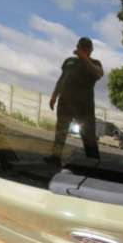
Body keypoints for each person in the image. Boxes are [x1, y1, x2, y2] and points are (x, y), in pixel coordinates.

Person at [46, 37, 103, 166]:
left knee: (88, 135)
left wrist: (84, 59)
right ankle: (55, 157)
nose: (82, 49)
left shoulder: (95, 63)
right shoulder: (69, 61)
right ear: (77, 47)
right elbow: (62, 79)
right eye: (80, 47)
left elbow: (98, 74)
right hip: (65, 103)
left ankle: (94, 162)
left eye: (85, 48)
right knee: (60, 132)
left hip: (84, 107)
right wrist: (54, 96)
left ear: (91, 50)